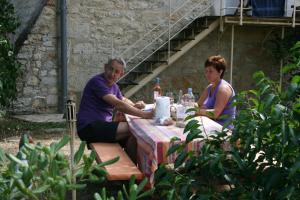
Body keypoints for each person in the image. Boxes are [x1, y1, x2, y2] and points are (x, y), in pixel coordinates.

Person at [76, 58, 154, 162]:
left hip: (100, 127)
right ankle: (128, 171)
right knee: (135, 128)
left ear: (121, 74)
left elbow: (123, 99)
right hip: (89, 128)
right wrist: (145, 115)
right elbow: (118, 104)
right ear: (105, 67)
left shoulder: (114, 86)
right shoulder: (97, 82)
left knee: (133, 137)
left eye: (116, 72)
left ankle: (130, 171)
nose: (112, 74)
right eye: (110, 69)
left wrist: (135, 105)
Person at [196, 55, 236, 129]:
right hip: (210, 126)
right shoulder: (210, 87)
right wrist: (188, 105)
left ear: (220, 72)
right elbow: (198, 104)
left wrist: (197, 111)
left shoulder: (223, 88)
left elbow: (215, 113)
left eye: (210, 71)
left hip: (223, 131)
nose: (207, 74)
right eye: (206, 71)